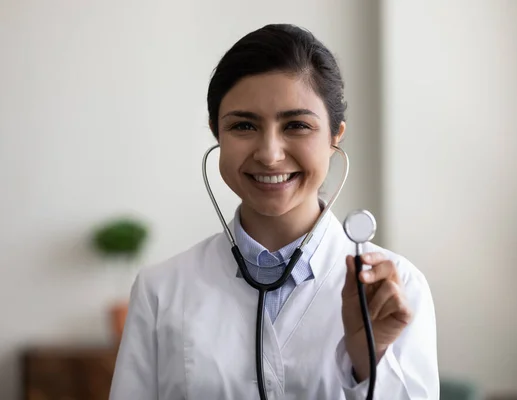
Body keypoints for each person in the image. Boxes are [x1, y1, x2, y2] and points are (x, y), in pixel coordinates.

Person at [109, 24, 439, 400]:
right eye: (243, 125)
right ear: (217, 133)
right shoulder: (161, 290)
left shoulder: (398, 290)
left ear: (335, 137)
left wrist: (370, 359)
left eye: (296, 125)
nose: (269, 153)